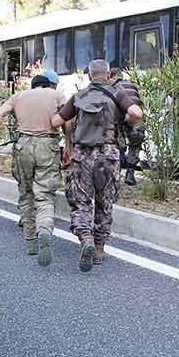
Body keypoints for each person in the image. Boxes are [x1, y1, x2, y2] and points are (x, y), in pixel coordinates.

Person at [51, 60, 144, 272]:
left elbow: (56, 122)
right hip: (108, 154)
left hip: (81, 155)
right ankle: (100, 248)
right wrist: (125, 119)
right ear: (109, 74)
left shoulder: (79, 96)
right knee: (105, 200)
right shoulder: (117, 93)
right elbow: (137, 114)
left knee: (81, 200)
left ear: (90, 76)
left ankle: (86, 239)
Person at [0, 71, 66, 265]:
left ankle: (31, 241)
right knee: (45, 193)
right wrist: (70, 142)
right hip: (47, 145)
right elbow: (68, 119)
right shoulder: (56, 95)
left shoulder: (19, 96)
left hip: (23, 145)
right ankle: (44, 228)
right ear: (48, 85)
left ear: (33, 85)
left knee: (25, 192)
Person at [109, 68, 145, 187]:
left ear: (111, 76)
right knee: (135, 142)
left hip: (121, 115)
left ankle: (117, 175)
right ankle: (130, 174)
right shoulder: (132, 85)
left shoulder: (112, 85)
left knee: (119, 144)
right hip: (136, 115)